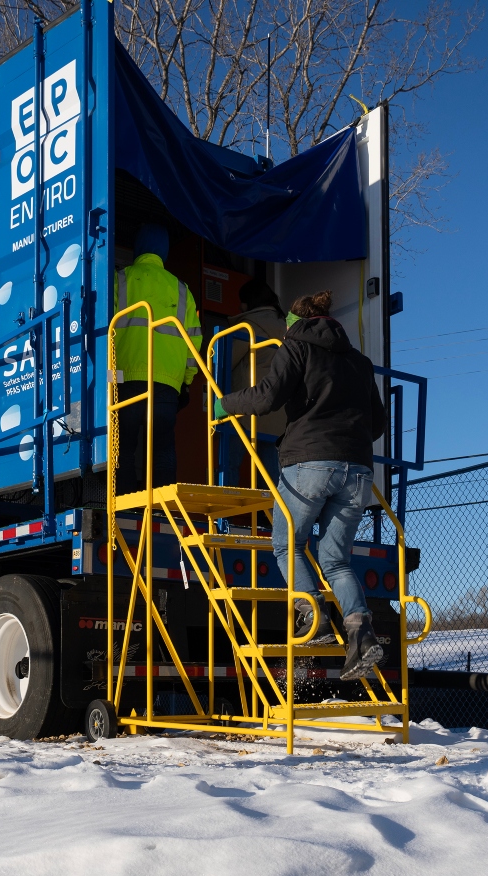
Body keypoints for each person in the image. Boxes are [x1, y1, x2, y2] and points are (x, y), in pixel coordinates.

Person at [215, 290, 388, 680]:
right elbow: (378, 425)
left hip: (309, 464)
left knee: (287, 544)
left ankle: (315, 620)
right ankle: (361, 634)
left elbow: (266, 398)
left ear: (296, 323)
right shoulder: (360, 362)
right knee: (336, 560)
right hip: (359, 470)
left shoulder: (295, 347)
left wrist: (224, 404)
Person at [113, 223, 201, 496]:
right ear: (164, 252)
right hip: (166, 384)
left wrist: (108, 379)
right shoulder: (182, 289)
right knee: (162, 446)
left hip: (124, 378)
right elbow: (194, 343)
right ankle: (163, 510)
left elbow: (103, 334)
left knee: (123, 446)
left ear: (138, 248)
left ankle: (123, 505)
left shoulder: (121, 279)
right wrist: (184, 383)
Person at [226, 278, 288, 480]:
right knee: (270, 473)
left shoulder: (247, 326)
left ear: (248, 302)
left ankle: (224, 512)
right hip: (276, 407)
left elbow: (225, 361)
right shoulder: (287, 327)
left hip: (245, 405)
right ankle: (273, 512)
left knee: (228, 465)